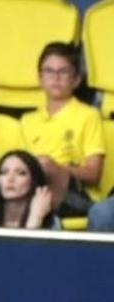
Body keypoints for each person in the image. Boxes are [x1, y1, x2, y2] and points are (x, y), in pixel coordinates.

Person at [21, 42, 106, 215]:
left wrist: (57, 168)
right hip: (32, 190)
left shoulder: (88, 115)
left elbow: (93, 174)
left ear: (76, 80)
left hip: (76, 195)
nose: (56, 77)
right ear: (40, 79)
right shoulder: (27, 120)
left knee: (43, 165)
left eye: (63, 71)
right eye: (49, 71)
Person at [0, 150, 57, 229]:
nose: (10, 179)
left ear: (34, 181)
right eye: (4, 172)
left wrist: (36, 218)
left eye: (21, 173)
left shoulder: (51, 222)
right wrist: (34, 222)